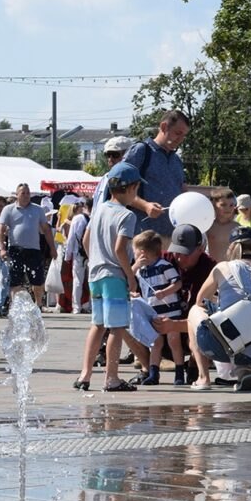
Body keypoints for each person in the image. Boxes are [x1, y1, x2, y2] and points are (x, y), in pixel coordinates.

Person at [153, 226, 251, 391]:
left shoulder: (222, 267)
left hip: (222, 348)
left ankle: (203, 377)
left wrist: (220, 301)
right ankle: (242, 371)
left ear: (231, 247)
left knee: (194, 311)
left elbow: (200, 301)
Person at [74, 162, 143, 392]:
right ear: (132, 188)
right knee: (117, 327)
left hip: (95, 275)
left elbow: (85, 239)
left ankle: (85, 375)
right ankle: (111, 378)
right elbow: (120, 249)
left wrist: (95, 258)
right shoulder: (127, 215)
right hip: (114, 276)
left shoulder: (100, 208)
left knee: (97, 325)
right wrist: (130, 276)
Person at [122, 110, 192, 237]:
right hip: (143, 236)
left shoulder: (176, 160)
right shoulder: (141, 151)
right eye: (178, 133)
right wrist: (145, 206)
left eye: (184, 136)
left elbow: (182, 189)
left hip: (172, 235)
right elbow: (120, 189)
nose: (181, 139)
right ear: (164, 127)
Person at [130, 230, 186, 386]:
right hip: (153, 312)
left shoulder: (164, 266)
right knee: (155, 343)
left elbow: (177, 283)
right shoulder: (141, 270)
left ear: (142, 253)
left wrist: (165, 292)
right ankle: (154, 374)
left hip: (171, 312)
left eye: (134, 252)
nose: (133, 255)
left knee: (174, 341)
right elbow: (130, 280)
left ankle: (180, 372)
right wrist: (135, 267)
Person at [0, 183, 57, 310]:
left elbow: (46, 230)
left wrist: (52, 248)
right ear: (17, 195)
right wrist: (2, 248)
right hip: (15, 249)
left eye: (28, 193)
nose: (25, 196)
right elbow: (1, 230)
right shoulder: (8, 209)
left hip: (34, 249)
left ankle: (38, 304)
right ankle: (16, 307)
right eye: (23, 193)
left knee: (37, 280)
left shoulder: (38, 209)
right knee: (15, 280)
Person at [62, 199, 91, 315]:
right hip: (92, 253)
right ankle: (89, 305)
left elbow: (71, 238)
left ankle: (76, 306)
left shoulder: (78, 218)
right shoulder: (95, 217)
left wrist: (67, 256)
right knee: (91, 280)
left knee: (78, 280)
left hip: (79, 253)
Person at [205, 187, 237, 266]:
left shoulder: (237, 228)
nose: (228, 208)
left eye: (231, 205)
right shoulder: (208, 226)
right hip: (211, 268)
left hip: (231, 270)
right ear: (214, 205)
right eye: (223, 205)